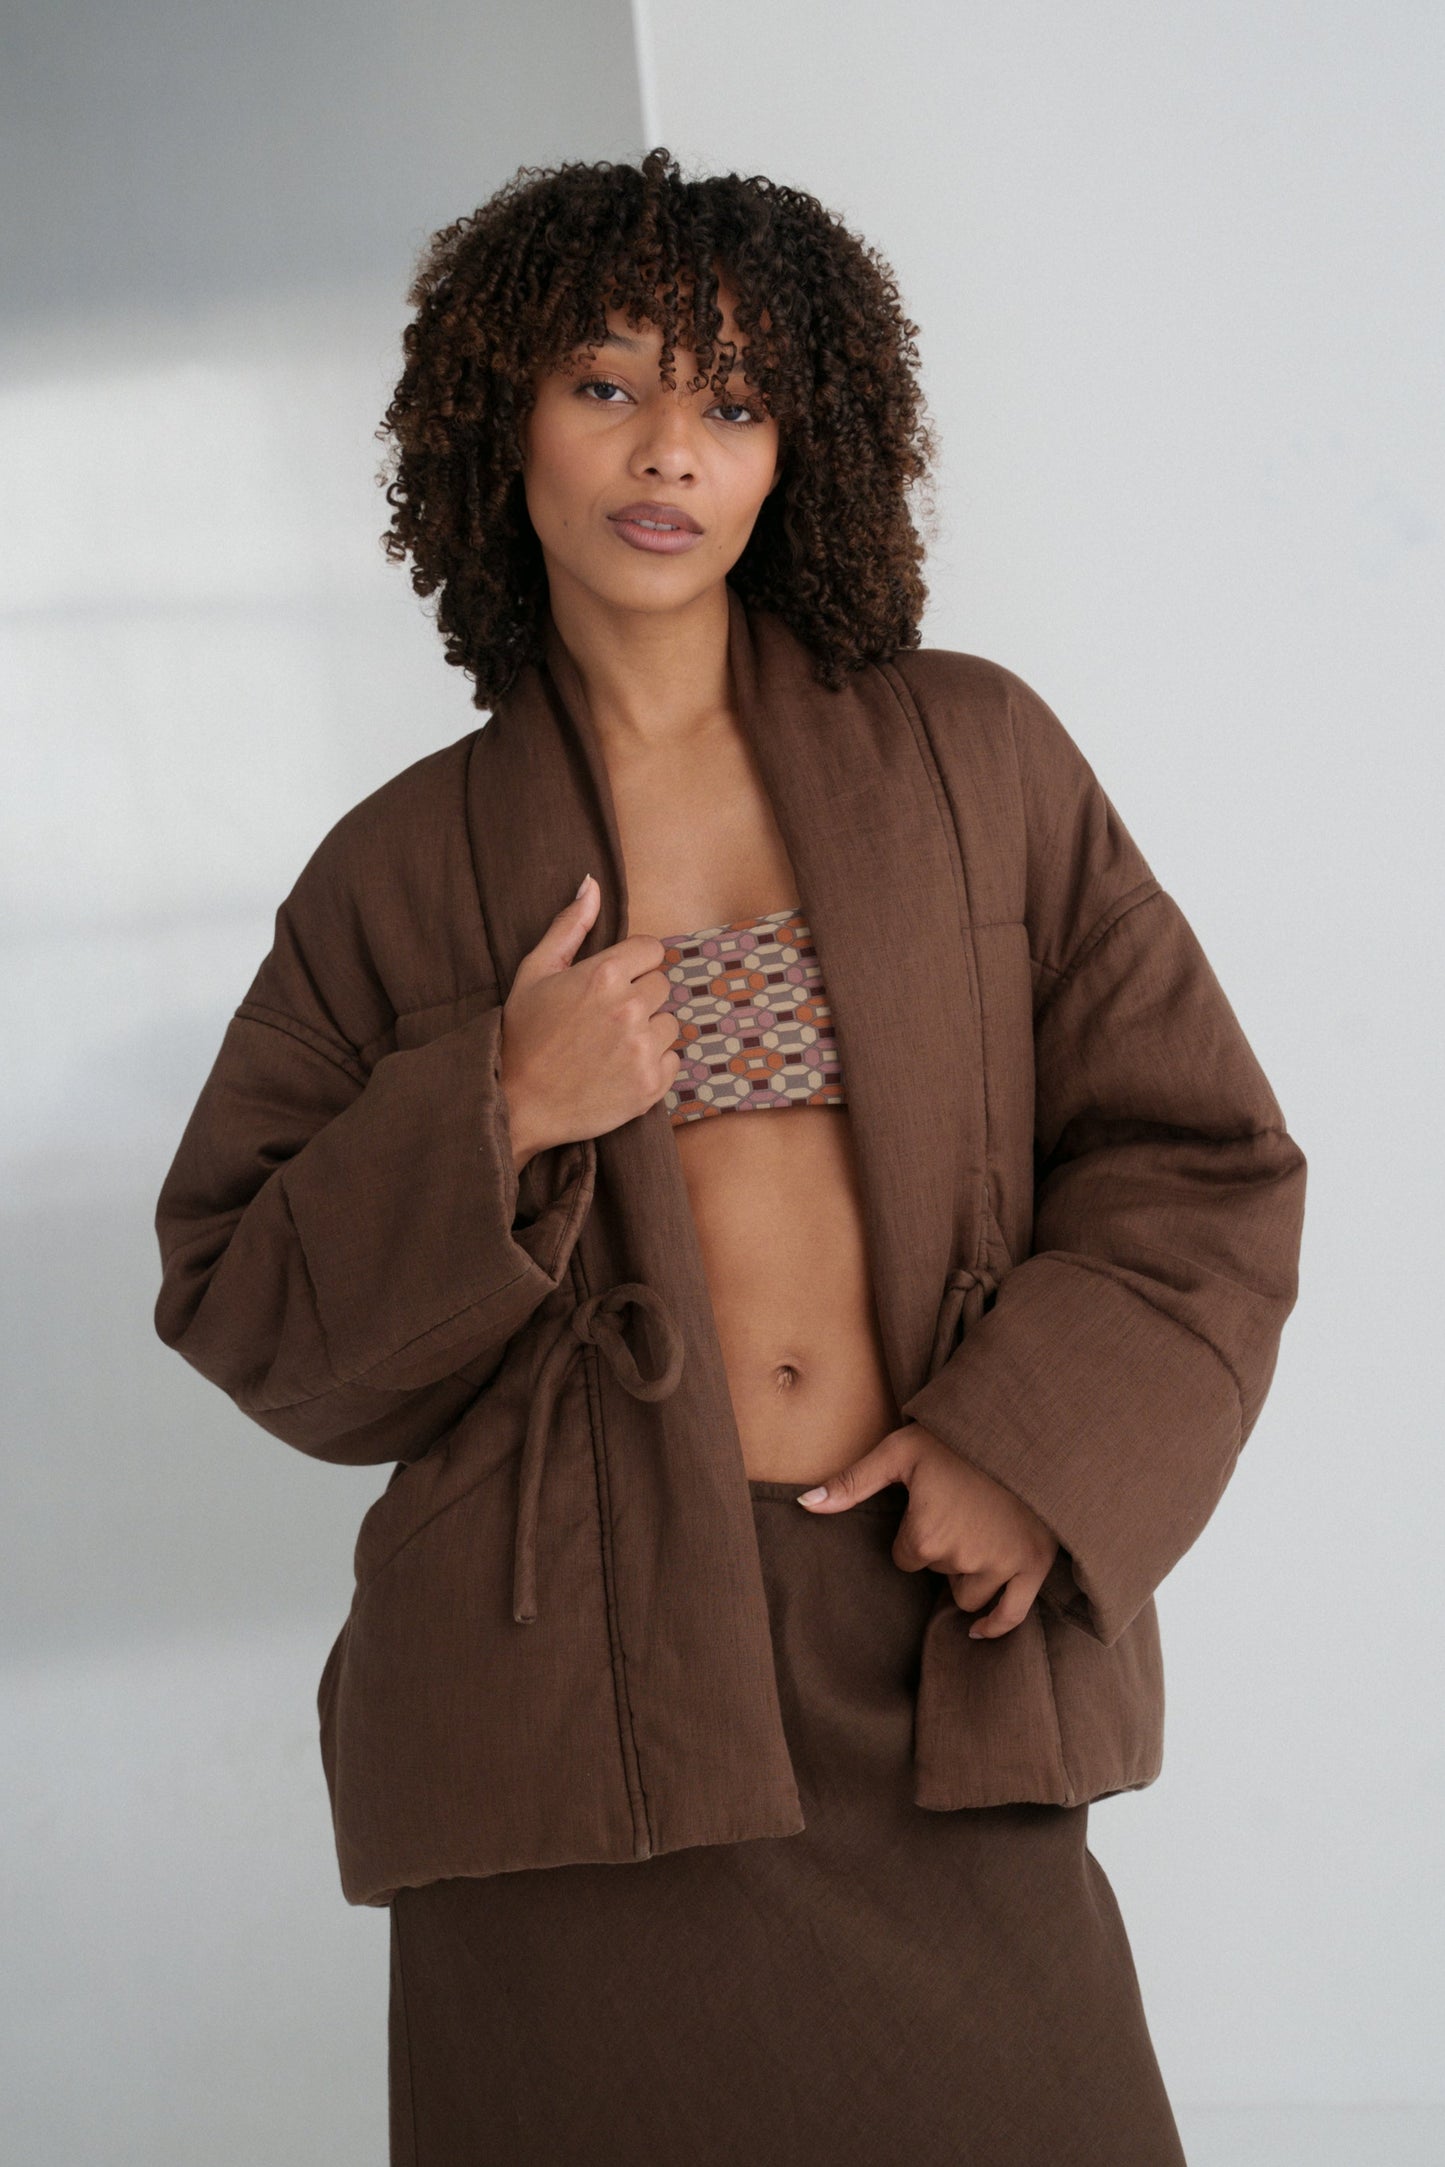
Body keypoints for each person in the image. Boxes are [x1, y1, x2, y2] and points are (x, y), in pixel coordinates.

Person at [153, 147, 1306, 2164]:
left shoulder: (982, 762)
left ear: (803, 453)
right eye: (606, 384)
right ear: (496, 420)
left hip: (926, 1636)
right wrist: (496, 1105)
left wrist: (1033, 1449)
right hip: (567, 1700)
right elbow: (242, 1295)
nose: (667, 449)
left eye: (734, 401)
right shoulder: (396, 872)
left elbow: (1200, 1159)